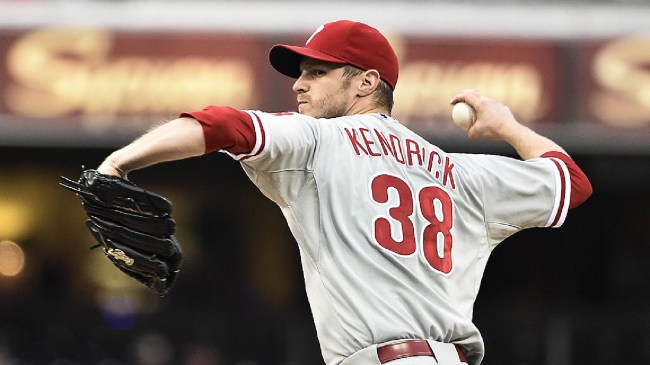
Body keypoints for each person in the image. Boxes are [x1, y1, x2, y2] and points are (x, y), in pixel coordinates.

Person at [95, 20, 592, 365]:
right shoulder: (459, 172)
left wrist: (118, 163)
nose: (298, 86)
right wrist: (508, 126)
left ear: (366, 82)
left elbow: (222, 124)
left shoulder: (320, 139)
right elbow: (570, 182)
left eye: (316, 72)